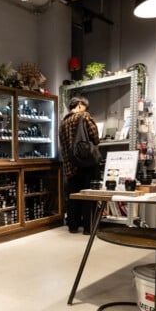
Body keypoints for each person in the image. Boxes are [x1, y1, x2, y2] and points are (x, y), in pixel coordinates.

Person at [59, 95, 99, 234]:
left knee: (73, 196)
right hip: (86, 163)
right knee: (89, 195)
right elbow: (95, 136)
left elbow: (63, 145)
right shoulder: (84, 116)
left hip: (70, 165)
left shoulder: (63, 122)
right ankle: (88, 228)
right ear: (80, 105)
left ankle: (73, 226)